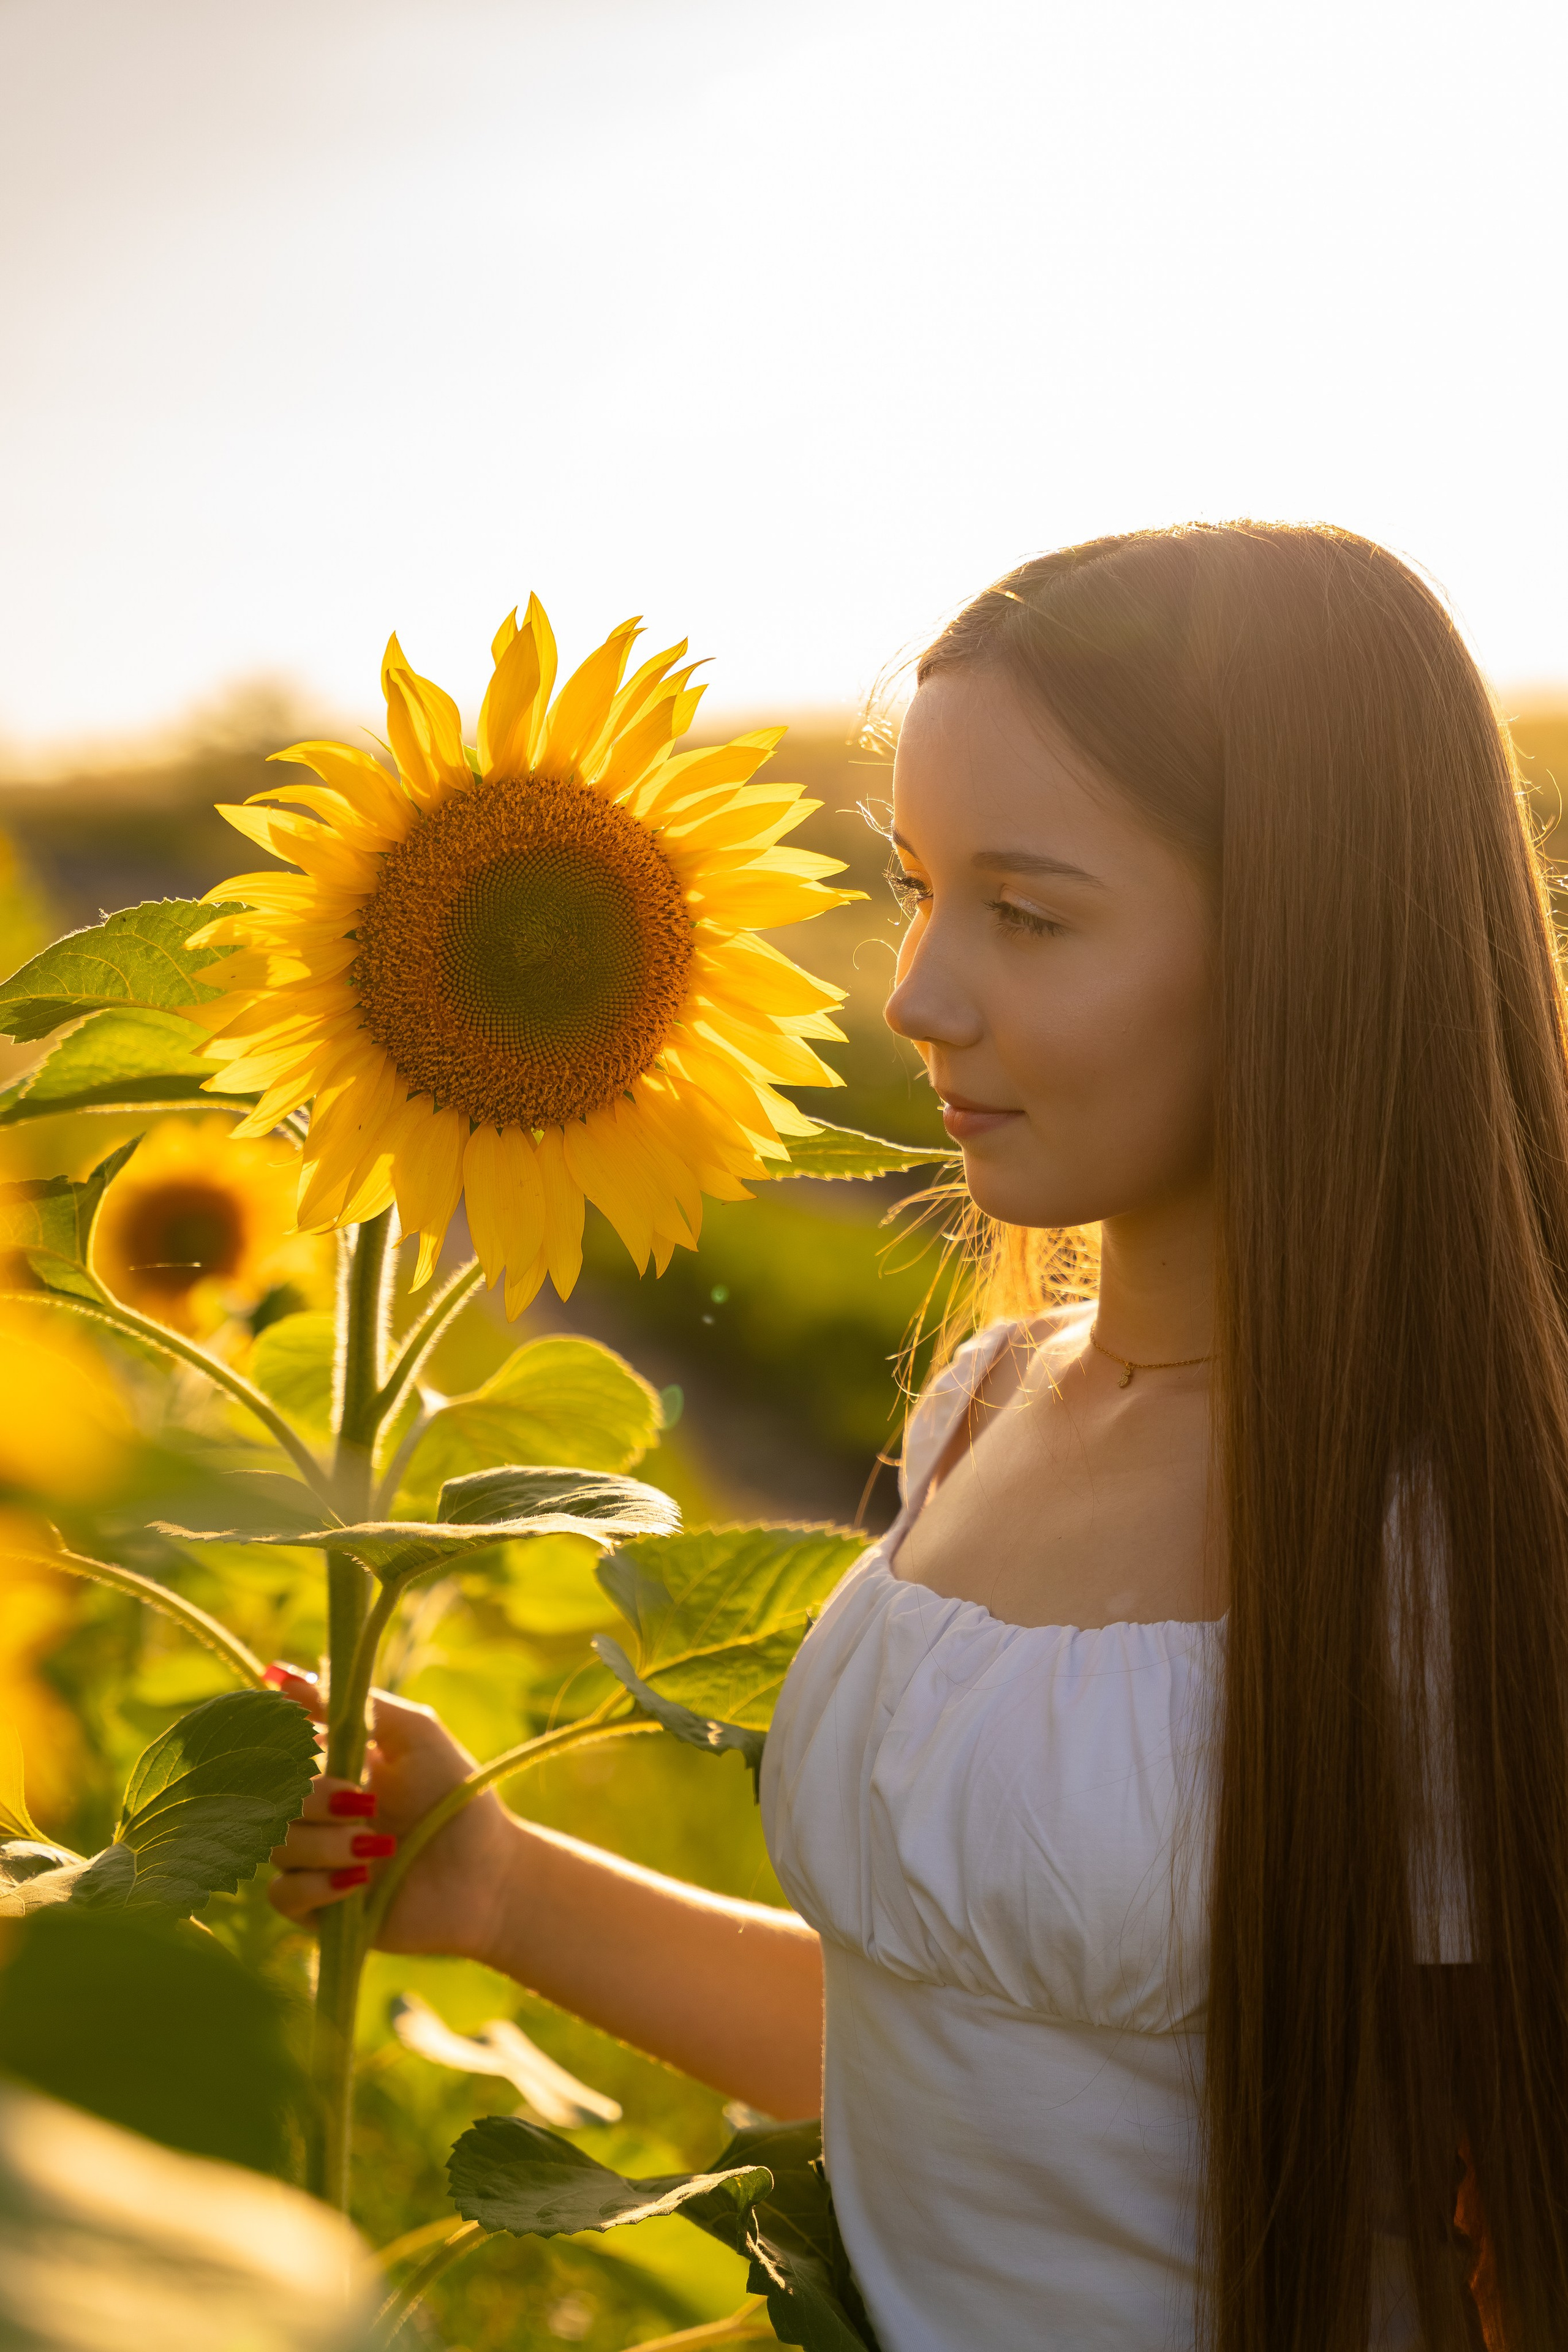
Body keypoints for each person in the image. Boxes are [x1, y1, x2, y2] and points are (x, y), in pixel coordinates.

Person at [271, 524, 1568, 2350]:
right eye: (918, 887)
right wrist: (487, 1881)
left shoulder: (1452, 1549)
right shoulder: (987, 1410)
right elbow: (945, 2051)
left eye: (1028, 913)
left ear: (1316, 937)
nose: (917, 995)